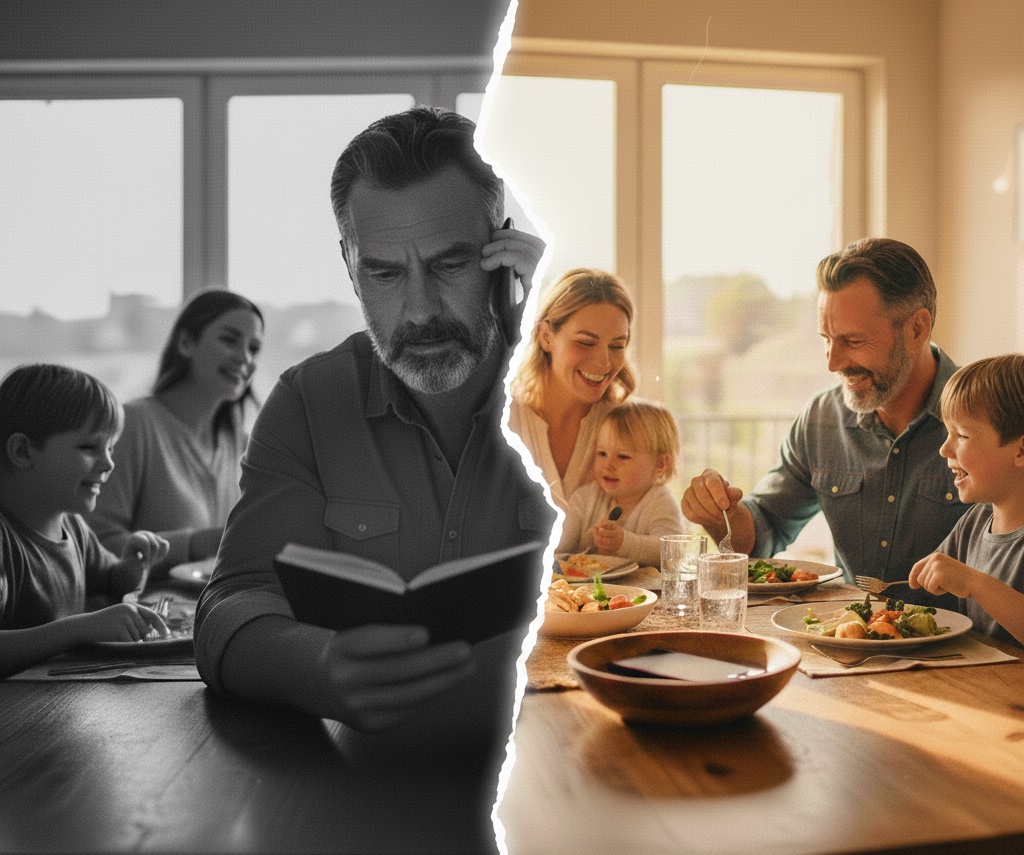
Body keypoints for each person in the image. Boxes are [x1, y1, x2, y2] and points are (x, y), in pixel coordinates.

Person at [192, 107, 552, 853]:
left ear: (501, 253)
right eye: (384, 273)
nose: (418, 311)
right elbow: (231, 601)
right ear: (349, 265)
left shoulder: (573, 386)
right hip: (363, 804)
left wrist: (554, 322)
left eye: (450, 264)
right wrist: (317, 666)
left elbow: (663, 573)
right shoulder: (306, 402)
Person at [681, 238, 968, 604]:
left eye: (853, 340)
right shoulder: (821, 419)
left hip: (973, 652)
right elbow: (761, 532)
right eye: (826, 339)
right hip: (851, 643)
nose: (833, 363)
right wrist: (718, 513)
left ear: (917, 329)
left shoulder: (994, 419)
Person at [0, 364, 169, 678]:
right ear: (23, 451)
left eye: (110, 448)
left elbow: (112, 581)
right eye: (90, 447)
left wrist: (132, 565)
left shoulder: (73, 528)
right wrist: (79, 629)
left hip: (59, 701)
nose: (108, 463)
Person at [87, 289, 264, 572]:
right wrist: (194, 544)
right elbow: (94, 547)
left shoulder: (238, 443)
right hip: (140, 611)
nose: (244, 357)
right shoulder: (134, 424)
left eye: (253, 348)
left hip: (206, 607)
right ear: (185, 343)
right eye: (230, 340)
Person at [909, 355, 1024, 645]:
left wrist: (975, 584)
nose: (945, 449)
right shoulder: (975, 521)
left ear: (1021, 450)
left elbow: (970, 584)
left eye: (961, 435)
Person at [508, 267, 637, 511]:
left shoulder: (627, 428)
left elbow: (655, 517)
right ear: (546, 336)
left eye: (617, 346)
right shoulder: (504, 421)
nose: (604, 363)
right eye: (586, 342)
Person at [556, 398, 685, 566]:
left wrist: (624, 543)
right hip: (588, 589)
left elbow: (672, 551)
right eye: (602, 453)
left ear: (660, 464)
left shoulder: (660, 502)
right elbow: (559, 541)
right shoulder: (585, 497)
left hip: (645, 590)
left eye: (623, 457)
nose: (608, 465)